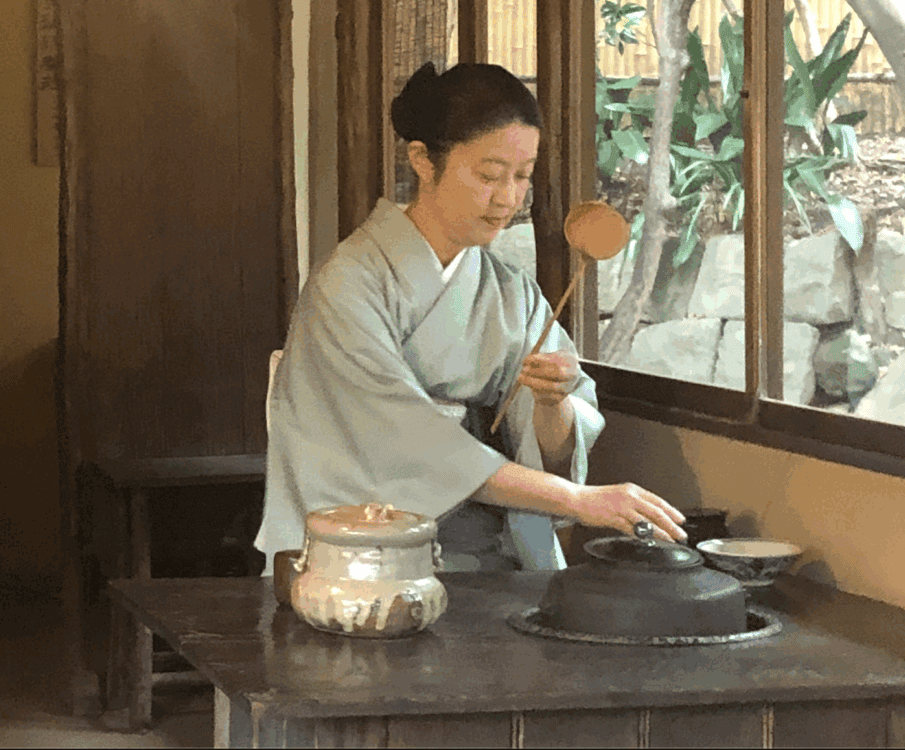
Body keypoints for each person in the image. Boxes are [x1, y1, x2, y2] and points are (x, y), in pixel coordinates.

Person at [255, 62, 686, 573]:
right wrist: (576, 499)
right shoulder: (347, 285)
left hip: (491, 549)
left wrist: (552, 403)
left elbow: (549, 448)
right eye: (489, 175)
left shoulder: (511, 293)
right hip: (365, 549)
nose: (508, 198)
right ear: (423, 160)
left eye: (522, 176)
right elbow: (404, 441)